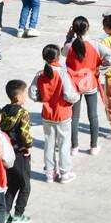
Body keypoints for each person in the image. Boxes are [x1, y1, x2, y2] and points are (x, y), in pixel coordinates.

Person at [30, 45, 80, 183]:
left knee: (49, 143)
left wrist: (42, 98)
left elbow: (32, 94)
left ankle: (50, 173)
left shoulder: (40, 74)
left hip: (47, 115)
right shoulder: (62, 73)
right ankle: (65, 173)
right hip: (63, 114)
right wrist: (77, 97)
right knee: (64, 144)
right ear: (58, 57)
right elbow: (69, 95)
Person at [63, 16, 111, 155]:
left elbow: (63, 52)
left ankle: (74, 147)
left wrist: (68, 37)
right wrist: (101, 69)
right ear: (87, 28)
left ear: (73, 29)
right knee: (93, 115)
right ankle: (94, 146)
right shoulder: (95, 44)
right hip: (90, 82)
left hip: (75, 84)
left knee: (74, 117)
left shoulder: (70, 45)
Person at [0, 79, 34, 223]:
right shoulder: (23, 113)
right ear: (19, 97)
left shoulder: (4, 110)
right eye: (25, 93)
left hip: (7, 152)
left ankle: (5, 212)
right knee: (25, 185)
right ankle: (18, 214)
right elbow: (24, 132)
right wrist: (28, 145)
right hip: (20, 152)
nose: (26, 96)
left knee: (13, 183)